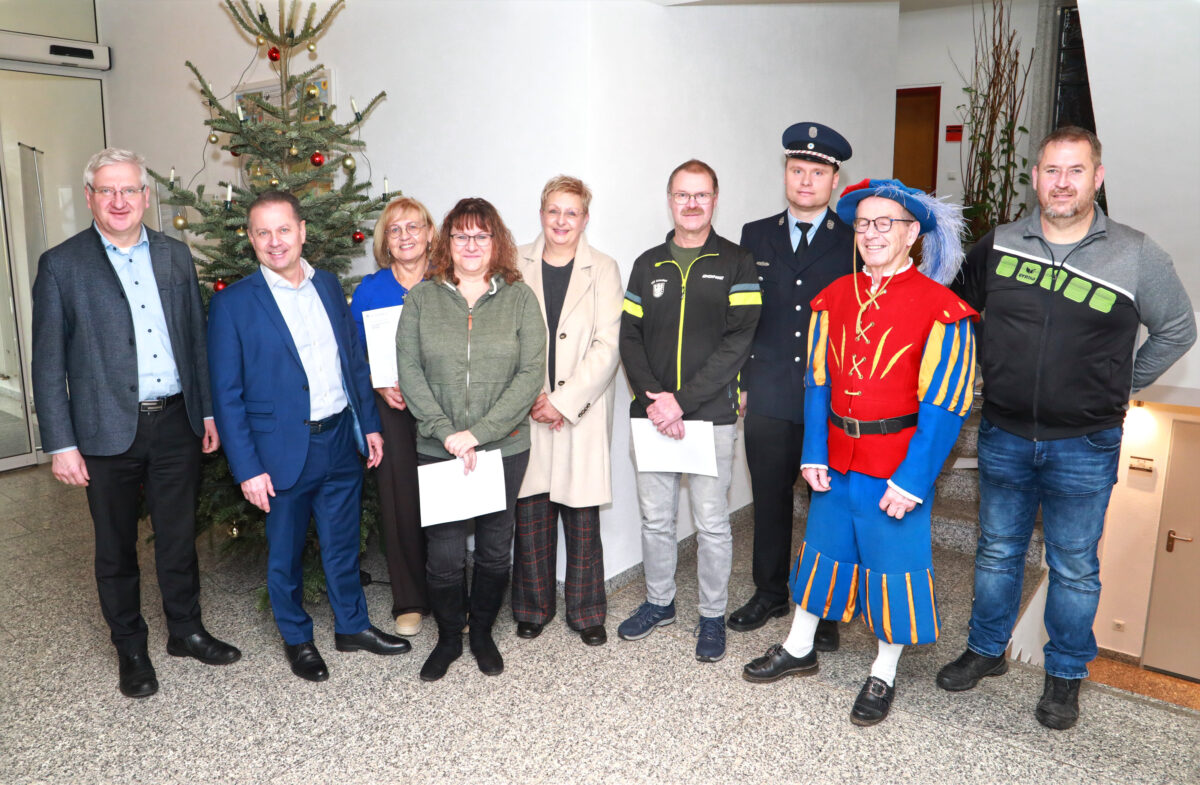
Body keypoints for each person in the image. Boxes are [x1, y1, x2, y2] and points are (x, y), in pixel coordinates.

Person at [938, 127, 1196, 730]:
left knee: (1075, 564)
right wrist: (983, 374)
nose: (1062, 182)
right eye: (1052, 170)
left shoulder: (1136, 254)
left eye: (1075, 171)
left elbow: (1178, 331)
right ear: (1035, 178)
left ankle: (1065, 675)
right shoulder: (999, 244)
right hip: (1002, 432)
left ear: (1097, 178)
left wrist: (1120, 383)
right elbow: (957, 313)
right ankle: (985, 649)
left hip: (1086, 442)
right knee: (997, 552)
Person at [742, 178, 978, 727]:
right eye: (864, 224)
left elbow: (945, 407)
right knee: (821, 553)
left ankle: (884, 671)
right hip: (837, 459)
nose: (872, 234)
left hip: (895, 466)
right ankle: (799, 648)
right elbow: (817, 383)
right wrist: (813, 450)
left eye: (885, 223)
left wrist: (914, 479)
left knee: (893, 568)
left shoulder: (944, 310)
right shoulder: (833, 297)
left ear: (912, 232)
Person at [31, 147, 240, 699]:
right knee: (115, 547)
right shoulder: (61, 265)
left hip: (176, 422)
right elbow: (48, 362)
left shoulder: (174, 256)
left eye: (130, 190)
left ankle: (186, 631)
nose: (120, 201)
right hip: (103, 431)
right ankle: (130, 647)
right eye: (108, 190)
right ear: (90, 198)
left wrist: (208, 410)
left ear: (147, 197)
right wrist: (62, 443)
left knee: (177, 537)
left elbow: (194, 340)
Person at [208, 191, 410, 683]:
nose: (275, 242)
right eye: (263, 232)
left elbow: (352, 363)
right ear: (251, 239)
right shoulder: (233, 305)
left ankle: (352, 627)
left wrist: (370, 426)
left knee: (343, 546)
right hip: (279, 454)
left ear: (301, 231)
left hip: (340, 438)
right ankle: (298, 638)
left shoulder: (327, 287)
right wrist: (248, 468)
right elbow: (227, 395)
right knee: (285, 555)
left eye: (283, 230)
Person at [617, 159, 762, 663]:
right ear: (671, 200)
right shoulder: (647, 263)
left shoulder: (738, 263)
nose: (693, 203)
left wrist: (683, 401)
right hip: (653, 414)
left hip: (710, 416)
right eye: (683, 195)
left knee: (712, 523)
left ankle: (711, 615)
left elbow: (738, 342)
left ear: (715, 199)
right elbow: (629, 337)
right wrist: (657, 400)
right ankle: (659, 604)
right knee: (656, 520)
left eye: (701, 195)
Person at [395, 197, 546, 681]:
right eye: (462, 236)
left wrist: (478, 434)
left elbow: (529, 375)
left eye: (482, 236)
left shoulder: (521, 299)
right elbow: (410, 371)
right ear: (447, 243)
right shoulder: (422, 298)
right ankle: (446, 638)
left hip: (503, 447)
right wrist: (447, 433)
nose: (472, 245)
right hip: (438, 448)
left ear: (497, 242)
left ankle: (480, 632)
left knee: (495, 548)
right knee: (443, 553)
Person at [730, 122, 856, 654]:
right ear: (785, 172)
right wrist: (740, 383)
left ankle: (825, 608)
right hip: (769, 391)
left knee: (828, 504)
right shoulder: (754, 234)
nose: (806, 180)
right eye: (797, 169)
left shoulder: (853, 239)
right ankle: (770, 592)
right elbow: (741, 317)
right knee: (770, 497)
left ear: (833, 181)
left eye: (818, 171)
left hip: (830, 394)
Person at [512, 176, 623, 647]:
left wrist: (560, 401)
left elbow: (607, 345)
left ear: (585, 218)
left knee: (581, 517)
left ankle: (586, 611)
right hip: (525, 408)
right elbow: (506, 337)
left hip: (580, 409)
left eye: (571, 212)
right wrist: (532, 397)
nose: (561, 221)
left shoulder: (604, 268)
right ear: (541, 213)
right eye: (553, 211)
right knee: (531, 512)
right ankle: (532, 608)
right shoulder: (513, 263)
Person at [350, 196, 437, 638]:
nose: (404, 236)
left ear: (428, 233)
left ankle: (448, 593)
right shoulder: (370, 290)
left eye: (413, 227)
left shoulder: (449, 282)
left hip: (443, 409)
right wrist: (380, 384)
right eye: (395, 229)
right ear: (386, 240)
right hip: (394, 410)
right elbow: (354, 355)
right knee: (400, 502)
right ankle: (409, 599)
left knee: (446, 499)